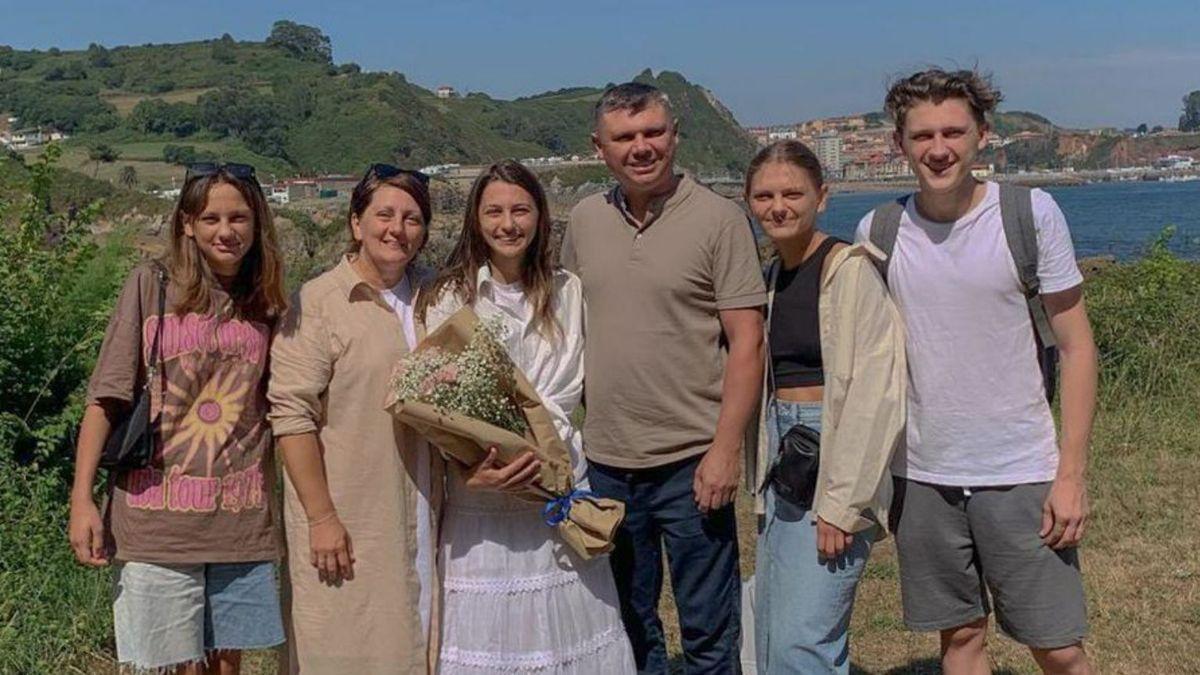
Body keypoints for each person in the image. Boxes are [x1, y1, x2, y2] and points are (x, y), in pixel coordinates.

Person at [855, 68, 1098, 675]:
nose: (939, 149)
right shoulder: (879, 232)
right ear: (899, 145)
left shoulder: (1029, 214)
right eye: (922, 135)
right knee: (960, 639)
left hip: (1020, 468)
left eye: (954, 132)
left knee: (1058, 645)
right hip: (923, 473)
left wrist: (1070, 475)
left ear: (982, 135)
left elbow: (1076, 348)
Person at [560, 82, 766, 674]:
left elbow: (747, 341)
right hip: (606, 461)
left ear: (675, 136)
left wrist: (726, 451)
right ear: (599, 147)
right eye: (625, 137)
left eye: (653, 132)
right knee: (627, 621)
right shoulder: (586, 219)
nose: (641, 147)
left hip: (692, 459)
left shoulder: (719, 219)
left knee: (708, 626)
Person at [68, 162, 288, 674]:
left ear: (258, 224)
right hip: (155, 522)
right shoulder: (151, 286)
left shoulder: (269, 304)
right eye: (211, 218)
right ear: (187, 223)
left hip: (241, 521)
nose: (226, 231)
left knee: (225, 666)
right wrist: (82, 501)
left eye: (239, 217)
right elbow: (106, 398)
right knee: (170, 667)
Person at [417, 159, 636, 674]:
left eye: (520, 209)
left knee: (569, 626)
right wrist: (479, 464)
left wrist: (543, 456)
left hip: (559, 480)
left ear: (540, 216)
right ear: (476, 219)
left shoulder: (568, 290)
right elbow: (438, 400)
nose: (507, 223)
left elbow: (571, 388)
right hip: (482, 490)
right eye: (494, 211)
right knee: (489, 632)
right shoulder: (450, 296)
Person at [268, 164, 440, 673]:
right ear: (356, 223)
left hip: (427, 507)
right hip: (350, 513)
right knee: (344, 642)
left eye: (412, 219)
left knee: (417, 635)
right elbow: (291, 415)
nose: (397, 229)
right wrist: (323, 518)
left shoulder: (437, 295)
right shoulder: (318, 303)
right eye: (384, 214)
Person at [743, 141, 905, 674]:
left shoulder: (849, 270)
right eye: (764, 195)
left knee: (804, 641)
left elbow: (875, 395)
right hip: (783, 451)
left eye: (793, 193)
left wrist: (844, 503)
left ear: (822, 197)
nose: (778, 206)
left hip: (834, 451)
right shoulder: (769, 278)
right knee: (769, 630)